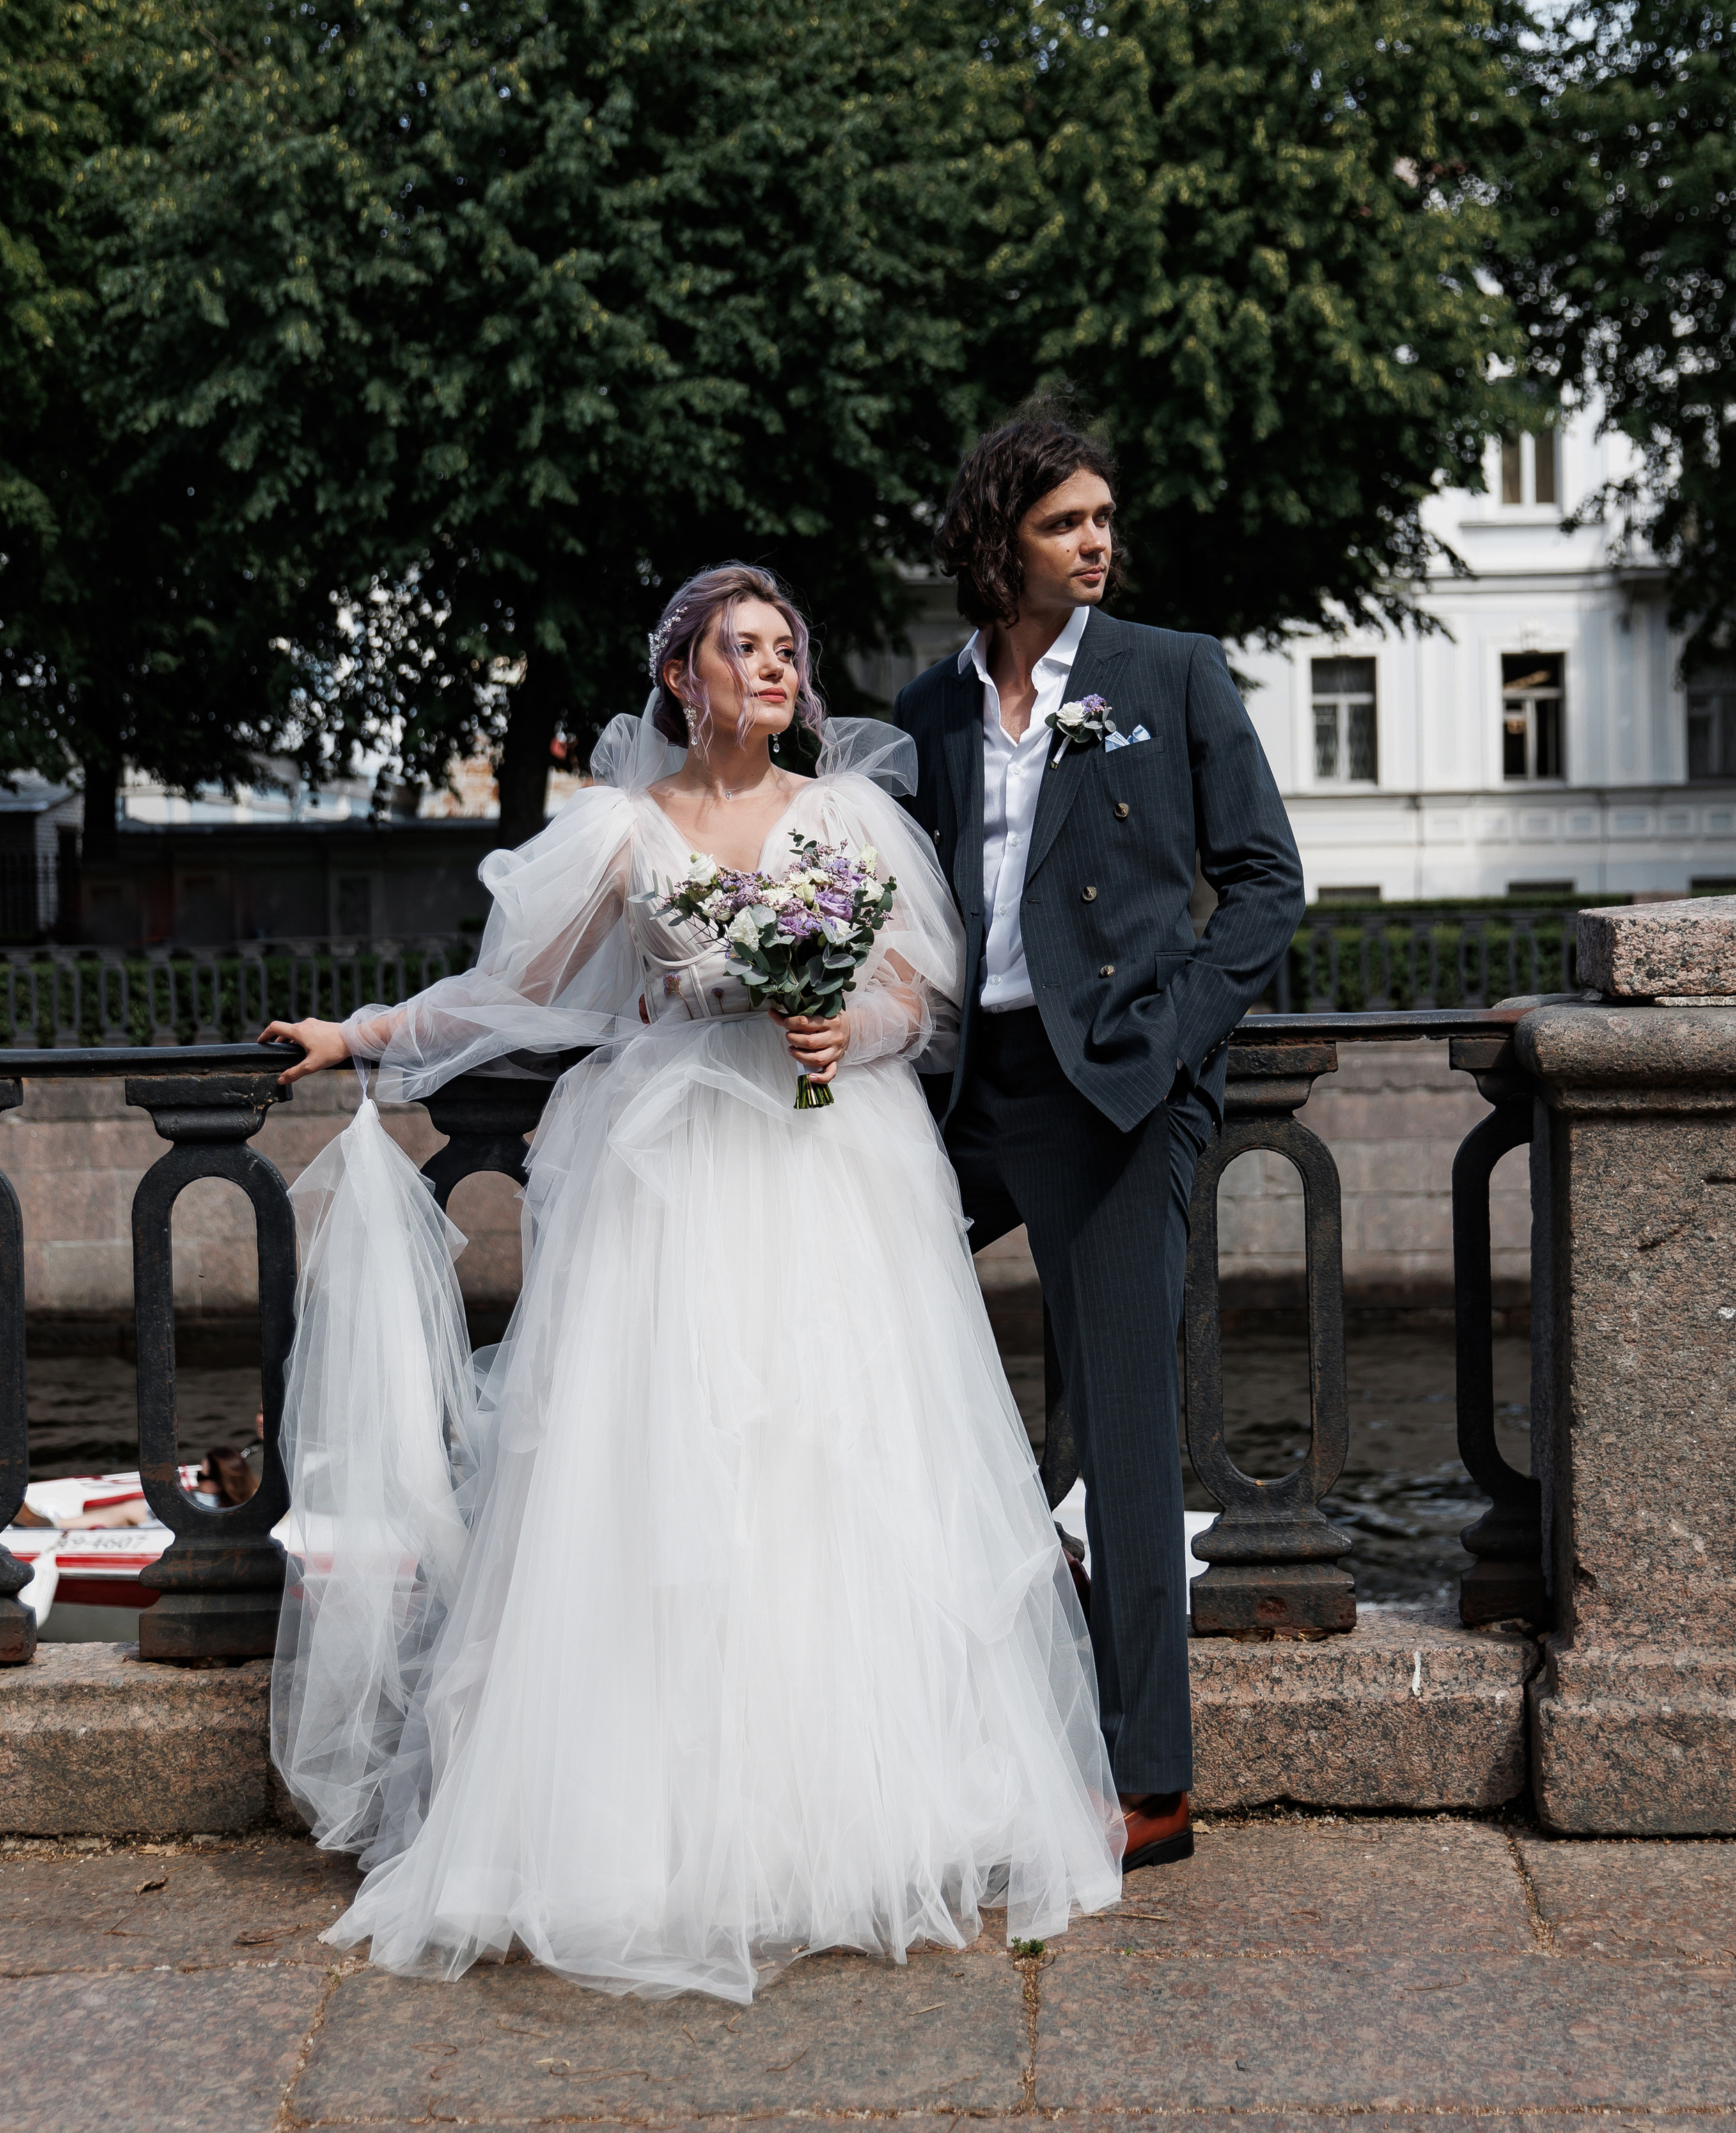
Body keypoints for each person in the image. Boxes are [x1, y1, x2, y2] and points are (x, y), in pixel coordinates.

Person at [259, 562, 1122, 2003]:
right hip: (662, 1183)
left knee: (832, 1464)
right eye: (741, 648)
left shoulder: (844, 819)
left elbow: (919, 988)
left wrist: (848, 1016)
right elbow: (515, 988)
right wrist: (360, 1033)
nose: (771, 668)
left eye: (785, 648)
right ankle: (640, 1834)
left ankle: (849, 1815)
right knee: (655, 1480)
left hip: (826, 1174)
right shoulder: (616, 827)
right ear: (682, 676)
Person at [892, 409, 1304, 1871]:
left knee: (1120, 1440)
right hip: (956, 1093)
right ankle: (890, 1727)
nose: (1097, 542)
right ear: (998, 535)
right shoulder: (932, 707)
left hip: (1110, 1087)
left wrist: (1171, 1040)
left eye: (1104, 520)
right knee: (844, 1339)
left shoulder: (1167, 671)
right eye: (1067, 522)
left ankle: (1150, 1782)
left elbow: (1263, 883)